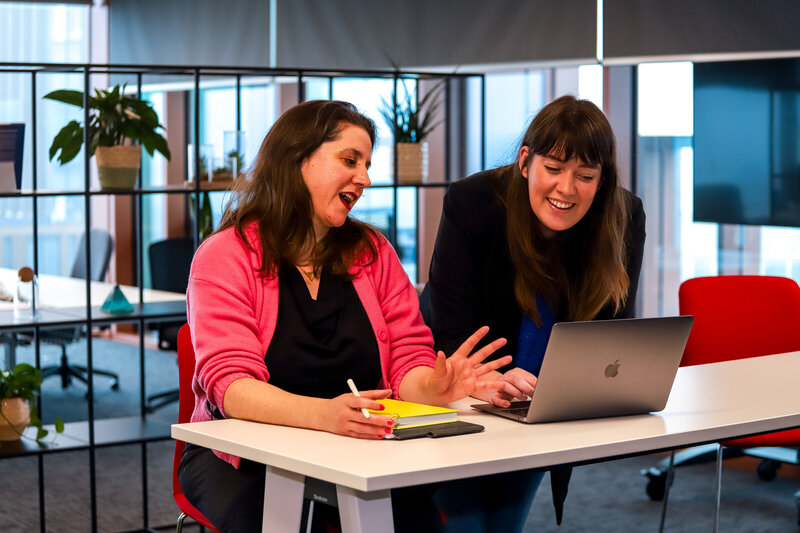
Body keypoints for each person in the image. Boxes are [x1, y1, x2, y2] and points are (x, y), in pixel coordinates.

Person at [178, 99, 513, 533]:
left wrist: (433, 385)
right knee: (281, 520)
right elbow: (232, 387)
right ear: (297, 159)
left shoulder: (374, 253)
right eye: (349, 160)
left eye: (368, 164)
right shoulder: (224, 255)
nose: (365, 179)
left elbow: (406, 360)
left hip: (359, 446)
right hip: (246, 456)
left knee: (418, 521)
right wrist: (325, 416)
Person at [426, 94, 646, 532]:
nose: (567, 188)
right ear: (526, 161)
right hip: (463, 394)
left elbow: (611, 336)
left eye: (585, 175)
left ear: (601, 181)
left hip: (541, 405)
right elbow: (451, 327)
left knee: (504, 524)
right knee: (463, 524)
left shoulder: (623, 216)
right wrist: (486, 379)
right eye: (554, 168)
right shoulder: (474, 202)